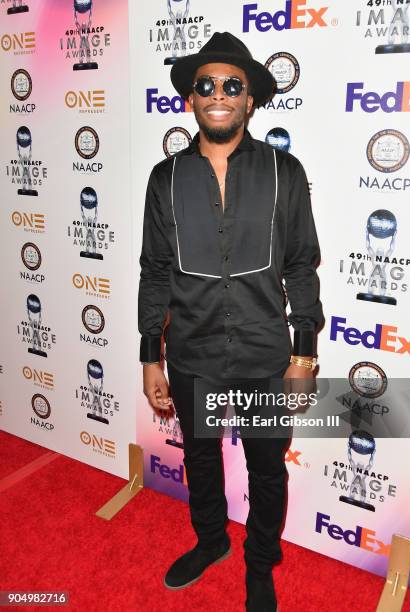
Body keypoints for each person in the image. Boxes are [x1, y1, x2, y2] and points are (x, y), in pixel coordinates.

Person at [138, 31, 324, 612]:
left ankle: (260, 563)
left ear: (250, 99)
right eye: (206, 85)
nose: (219, 93)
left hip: (266, 356)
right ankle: (213, 542)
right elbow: (155, 271)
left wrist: (303, 354)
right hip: (191, 356)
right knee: (199, 459)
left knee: (268, 468)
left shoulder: (284, 171)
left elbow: (301, 266)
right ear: (191, 99)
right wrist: (150, 355)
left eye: (232, 85)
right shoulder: (164, 179)